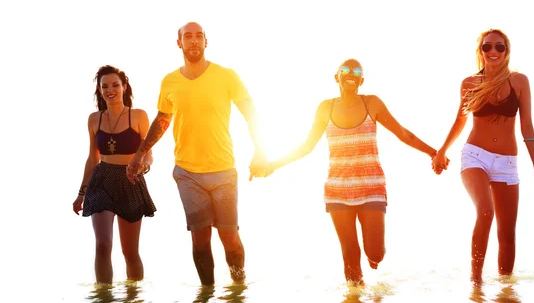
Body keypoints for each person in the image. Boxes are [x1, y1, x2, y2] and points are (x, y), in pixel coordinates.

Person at [254, 59, 442, 284]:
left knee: (375, 253)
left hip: (371, 187)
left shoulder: (372, 104)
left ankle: (373, 259)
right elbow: (306, 146)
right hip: (338, 190)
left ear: (362, 80)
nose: (350, 74)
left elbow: (403, 133)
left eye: (356, 71)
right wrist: (273, 165)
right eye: (345, 70)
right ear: (337, 77)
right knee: (350, 256)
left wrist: (434, 153)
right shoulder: (326, 108)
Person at [126, 22, 265, 286]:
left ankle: (238, 288)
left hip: (223, 170)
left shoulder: (226, 76)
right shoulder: (170, 81)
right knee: (199, 239)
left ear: (206, 41)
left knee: (229, 237)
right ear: (179, 43)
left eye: (198, 36)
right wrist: (140, 154)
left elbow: (250, 113)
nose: (193, 41)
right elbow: (163, 119)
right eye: (187, 37)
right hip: (188, 172)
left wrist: (260, 150)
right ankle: (207, 297)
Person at [431, 29, 534, 284]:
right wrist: (442, 150)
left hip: (507, 162)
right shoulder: (470, 83)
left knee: (507, 233)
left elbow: (526, 125)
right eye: (487, 47)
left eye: (499, 47)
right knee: (485, 212)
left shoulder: (519, 81)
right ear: (480, 51)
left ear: (507, 50)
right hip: (475, 156)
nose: (493, 52)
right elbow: (460, 120)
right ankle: (476, 286)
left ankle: (506, 294)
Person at [73, 65, 156, 285]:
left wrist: (142, 167)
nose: (111, 90)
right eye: (105, 86)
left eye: (115, 85)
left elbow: (148, 155)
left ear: (124, 87)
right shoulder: (94, 119)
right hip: (101, 180)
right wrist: (81, 193)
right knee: (102, 245)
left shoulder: (138, 116)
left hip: (130, 181)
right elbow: (92, 159)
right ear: (100, 91)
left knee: (130, 253)